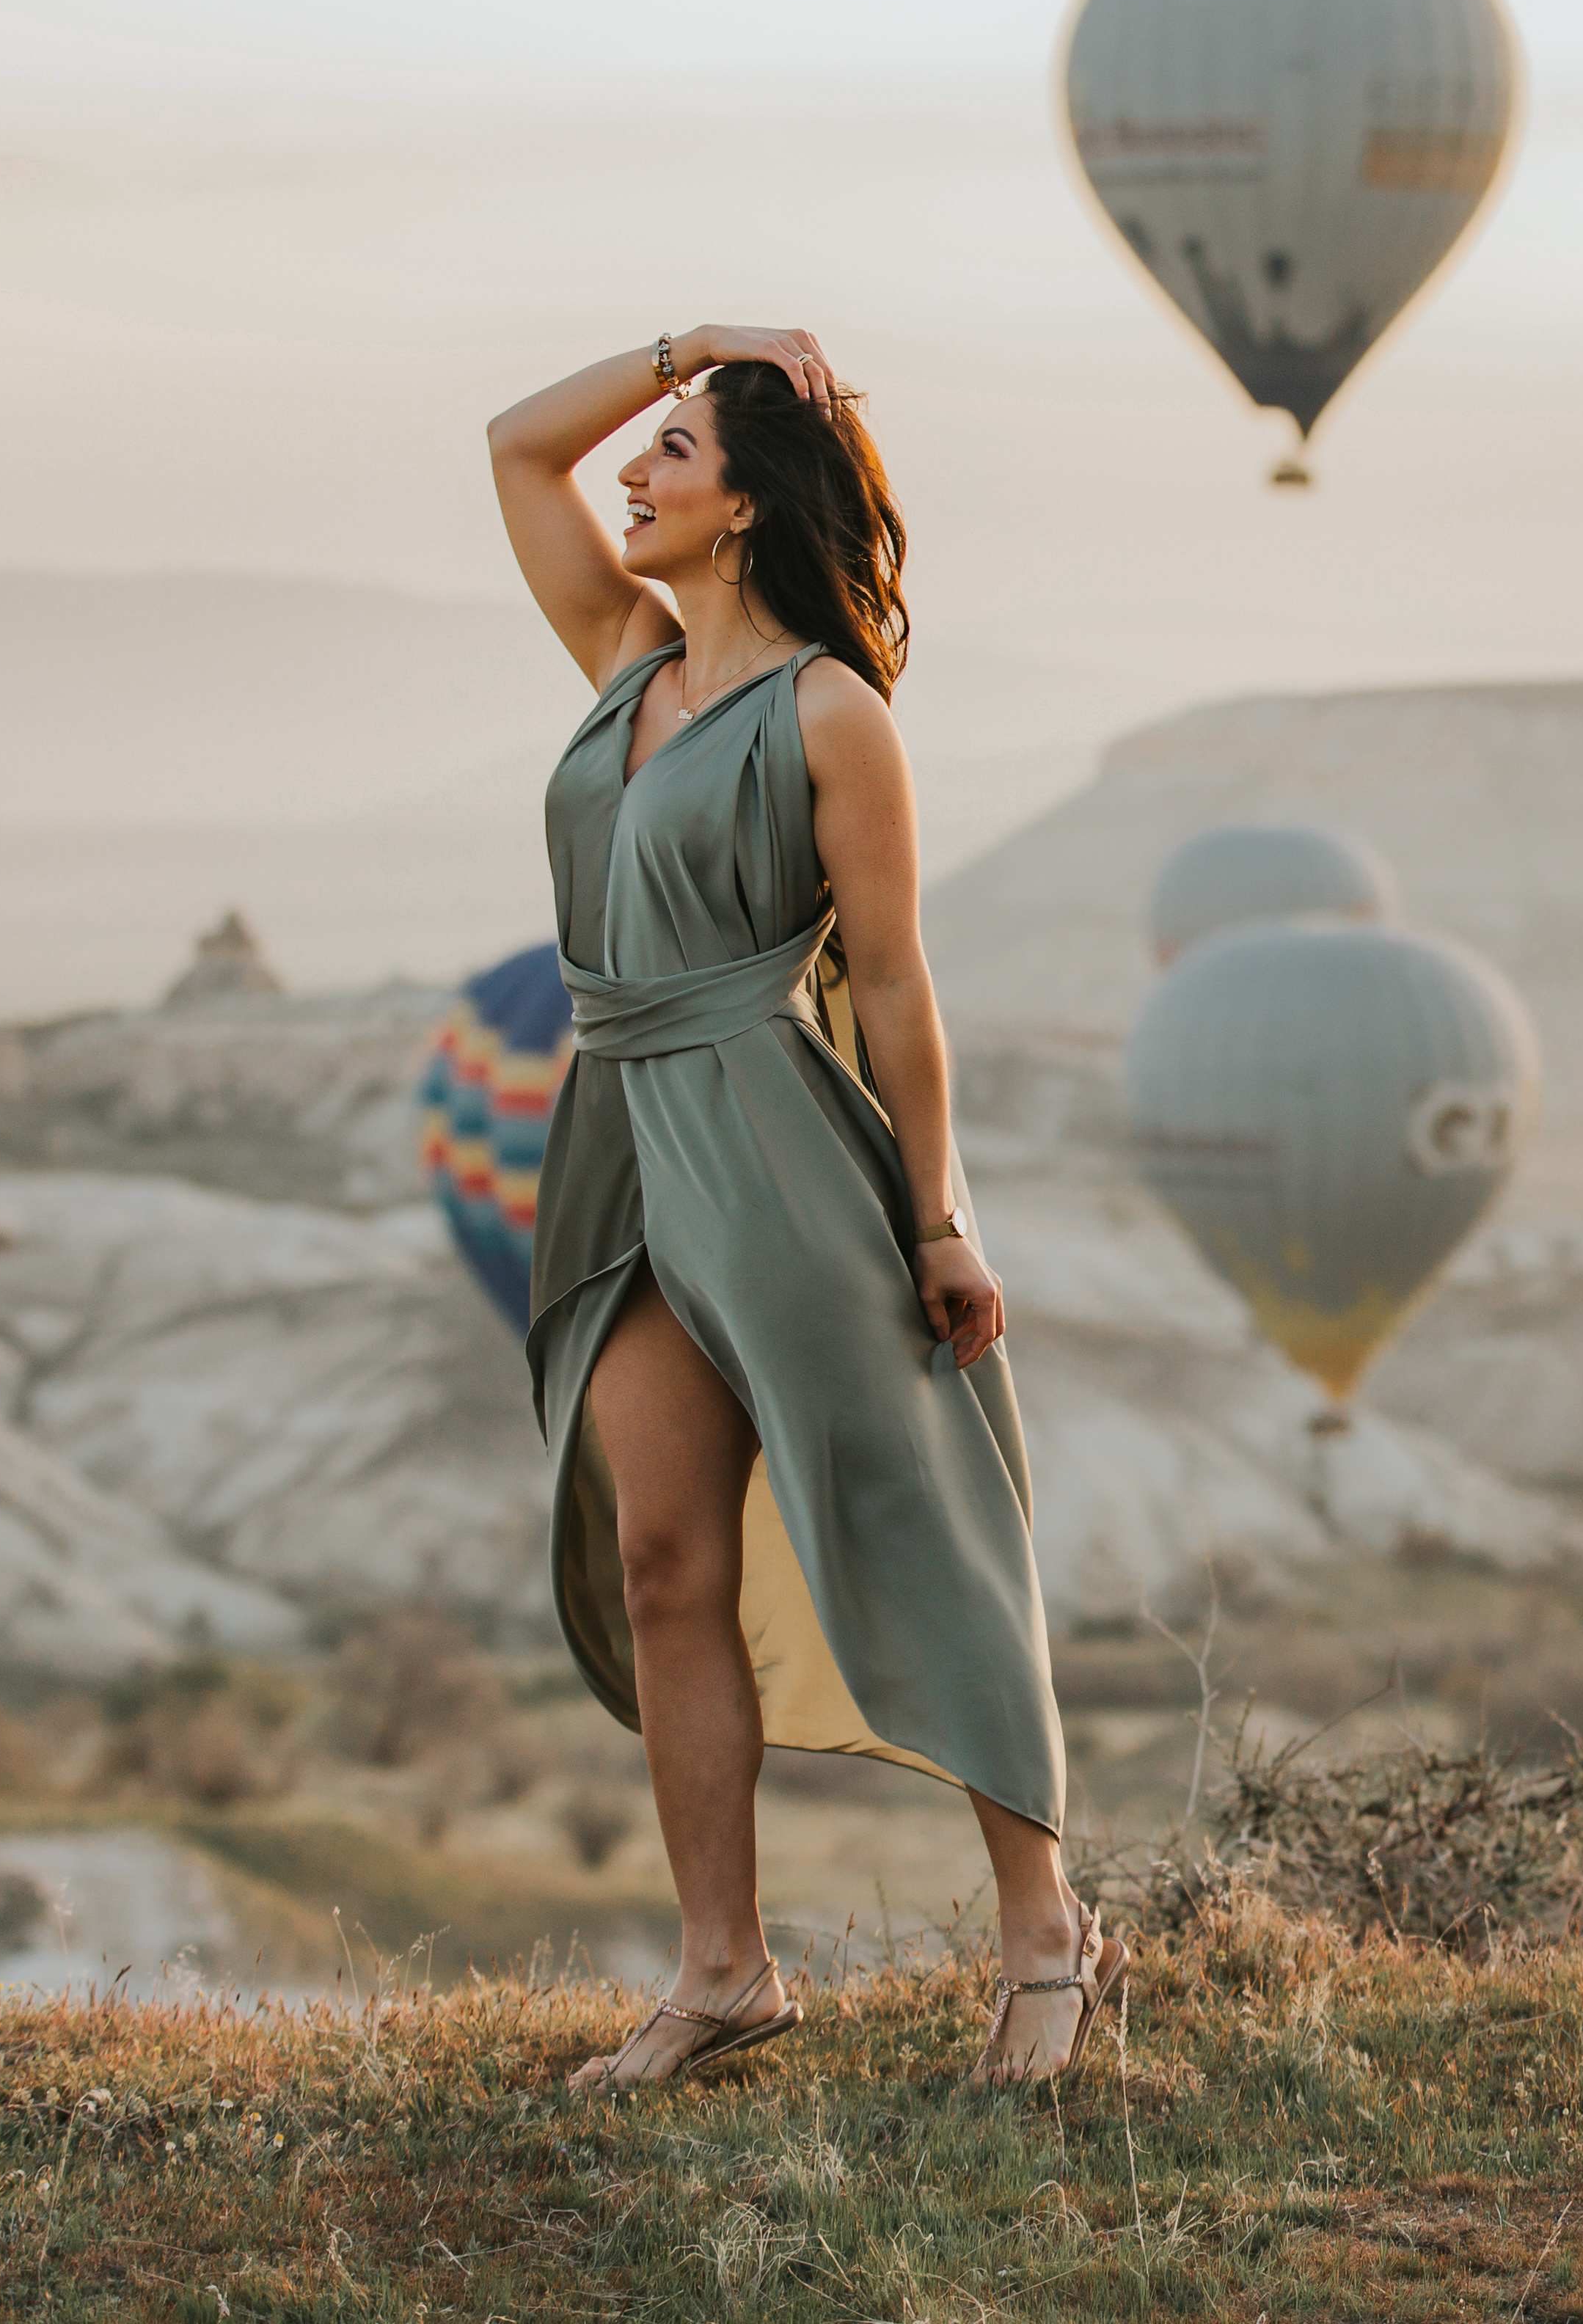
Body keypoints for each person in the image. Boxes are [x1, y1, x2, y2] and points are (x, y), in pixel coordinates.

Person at [486, 326, 1109, 2092]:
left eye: (672, 449)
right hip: (616, 1136)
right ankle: (723, 1973)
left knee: (915, 1515)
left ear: (747, 504)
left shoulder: (832, 712)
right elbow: (516, 450)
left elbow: (900, 988)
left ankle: (1045, 1933)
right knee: (667, 1557)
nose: (632, 471)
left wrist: (937, 1220)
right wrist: (694, 344)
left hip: (771, 1138)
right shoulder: (623, 656)